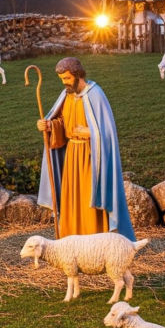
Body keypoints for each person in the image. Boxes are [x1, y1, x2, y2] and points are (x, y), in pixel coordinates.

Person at [36, 57, 135, 240]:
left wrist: (88, 132)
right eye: (62, 79)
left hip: (92, 158)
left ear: (77, 75)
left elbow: (107, 133)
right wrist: (50, 126)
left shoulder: (95, 94)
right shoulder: (67, 96)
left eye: (66, 78)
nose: (64, 83)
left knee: (90, 200)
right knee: (72, 200)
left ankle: (95, 242)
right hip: (72, 156)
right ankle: (71, 239)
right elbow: (63, 123)